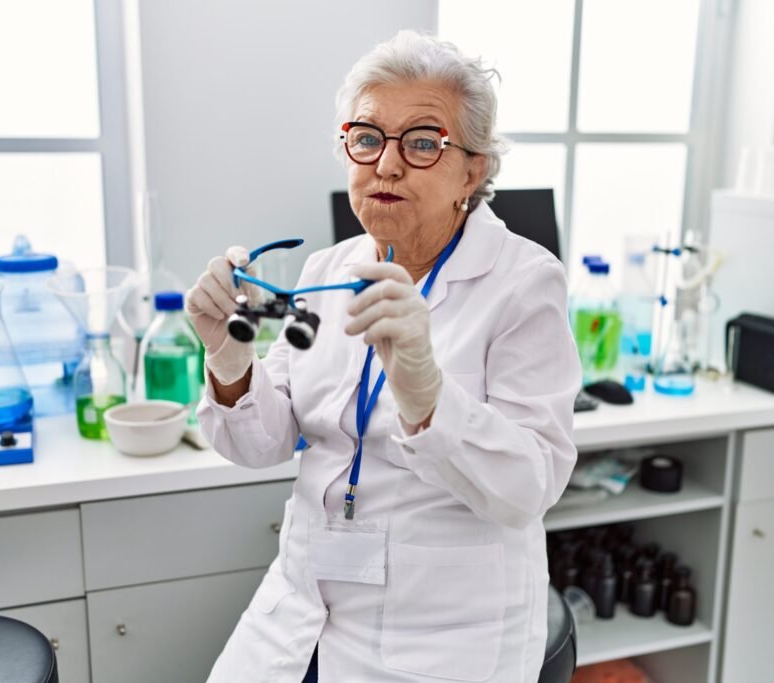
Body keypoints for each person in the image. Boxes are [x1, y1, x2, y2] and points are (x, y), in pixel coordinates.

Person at [187, 30, 581, 683]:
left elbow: (529, 487)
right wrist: (230, 359)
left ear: (473, 170)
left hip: (439, 635)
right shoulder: (328, 267)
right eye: (367, 138)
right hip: (301, 608)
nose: (386, 165)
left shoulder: (523, 282)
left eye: (423, 143)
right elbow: (265, 441)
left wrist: (428, 395)